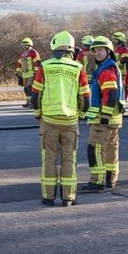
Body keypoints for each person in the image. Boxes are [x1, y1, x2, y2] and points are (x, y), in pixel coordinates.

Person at [31, 31, 90, 206]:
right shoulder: (78, 68)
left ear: (54, 47)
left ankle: (48, 197)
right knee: (69, 159)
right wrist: (80, 115)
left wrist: (38, 114)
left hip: (49, 121)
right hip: (70, 121)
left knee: (49, 158)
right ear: (71, 49)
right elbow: (85, 98)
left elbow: (35, 96)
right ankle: (68, 197)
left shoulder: (45, 66)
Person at [81, 36, 123, 192]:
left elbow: (111, 94)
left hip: (103, 120)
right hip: (113, 119)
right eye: (95, 50)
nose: (97, 53)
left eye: (100, 50)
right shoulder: (109, 67)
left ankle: (97, 182)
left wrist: (105, 116)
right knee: (111, 149)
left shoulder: (106, 70)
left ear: (108, 51)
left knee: (95, 149)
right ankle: (110, 178)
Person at [16, 37, 40, 108]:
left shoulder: (33, 53)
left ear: (30, 45)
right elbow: (19, 64)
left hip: (31, 74)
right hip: (24, 74)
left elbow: (37, 63)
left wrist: (36, 72)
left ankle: (32, 103)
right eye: (23, 45)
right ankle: (28, 102)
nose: (24, 46)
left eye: (26, 45)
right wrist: (18, 73)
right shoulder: (23, 54)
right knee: (26, 89)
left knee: (30, 88)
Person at [112, 31, 128, 104]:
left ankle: (122, 100)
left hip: (121, 72)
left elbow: (125, 59)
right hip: (116, 71)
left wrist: (115, 64)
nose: (114, 41)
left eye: (116, 39)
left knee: (122, 87)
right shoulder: (117, 49)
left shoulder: (124, 48)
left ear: (120, 40)